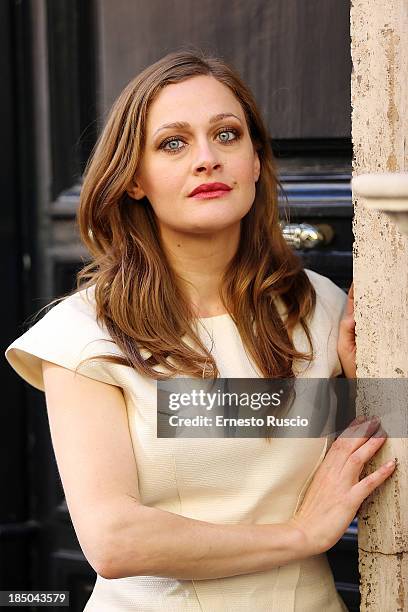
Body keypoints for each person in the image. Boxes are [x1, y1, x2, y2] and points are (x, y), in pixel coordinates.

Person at [5, 50, 395, 611]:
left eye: (228, 135)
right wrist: (301, 536)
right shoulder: (86, 334)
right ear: (134, 178)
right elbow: (114, 541)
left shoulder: (321, 306)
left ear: (256, 161)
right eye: (173, 143)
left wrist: (369, 385)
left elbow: (388, 470)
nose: (207, 159)